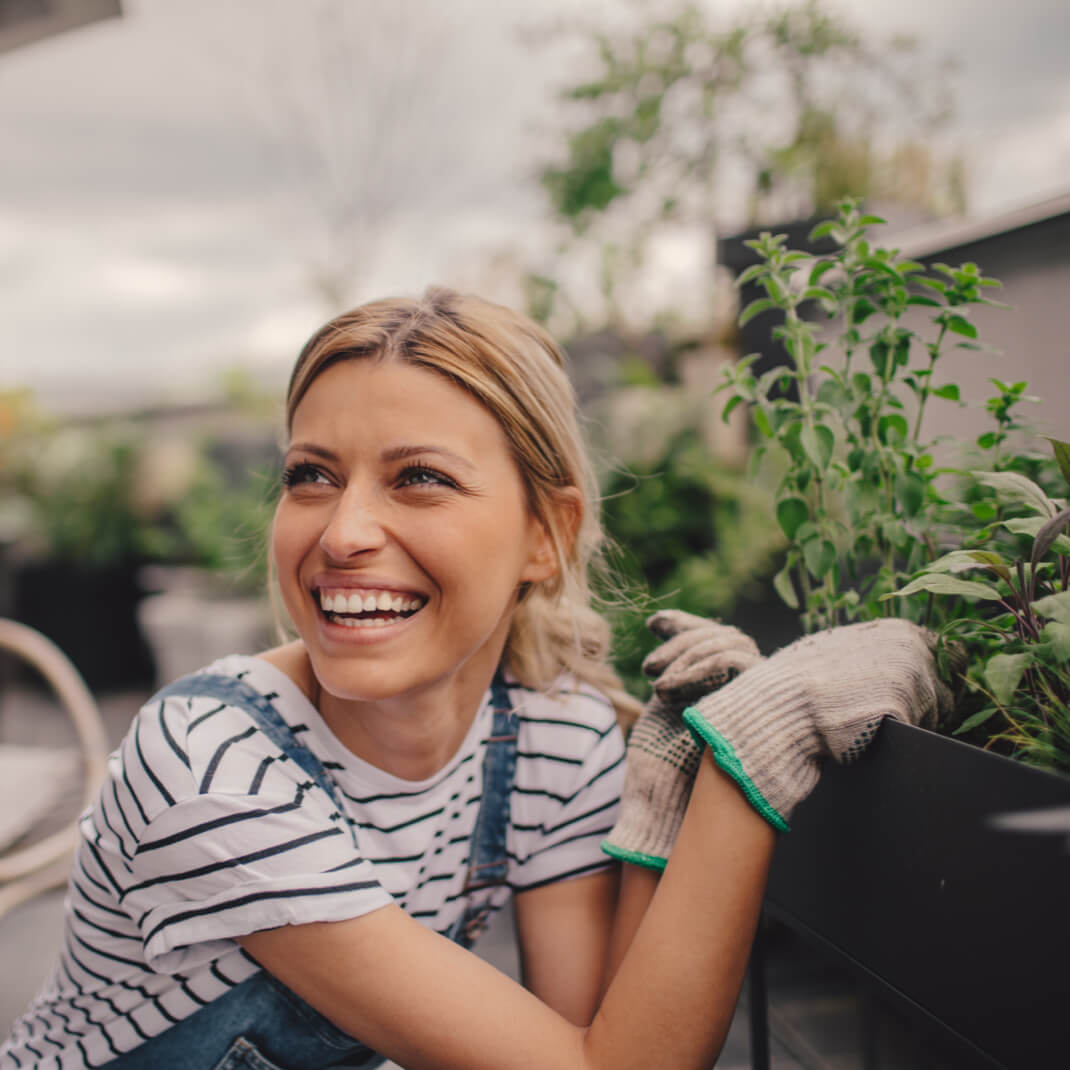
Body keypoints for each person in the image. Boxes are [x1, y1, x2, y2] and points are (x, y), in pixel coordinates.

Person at [1, 287, 955, 1070]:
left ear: (548, 534)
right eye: (311, 475)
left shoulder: (550, 736)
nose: (341, 532)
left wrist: (670, 786)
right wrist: (756, 756)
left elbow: (610, 1040)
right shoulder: (211, 767)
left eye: (418, 477)